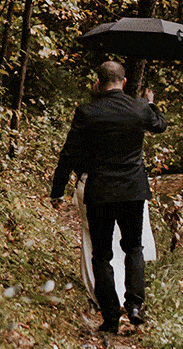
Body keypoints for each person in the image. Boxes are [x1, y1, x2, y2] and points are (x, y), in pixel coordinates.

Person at [49, 60, 167, 334]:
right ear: (124, 82)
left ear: (99, 83)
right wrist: (150, 103)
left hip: (100, 191)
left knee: (101, 255)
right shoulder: (139, 107)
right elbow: (160, 125)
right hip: (133, 190)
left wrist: (57, 190)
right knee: (133, 247)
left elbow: (68, 154)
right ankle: (135, 306)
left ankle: (111, 317)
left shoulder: (88, 112)